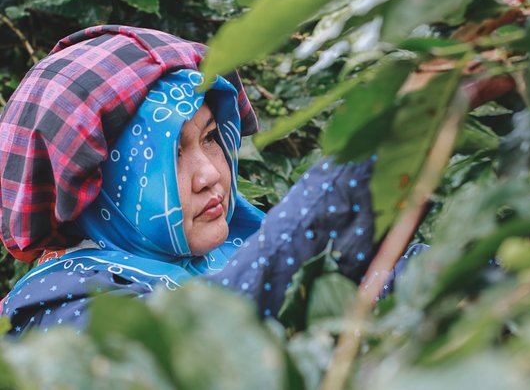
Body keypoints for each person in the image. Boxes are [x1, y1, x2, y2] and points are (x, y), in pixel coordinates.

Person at [0, 25, 378, 335]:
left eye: (211, 138)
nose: (211, 174)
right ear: (100, 186)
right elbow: (199, 342)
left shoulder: (234, 241)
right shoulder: (64, 312)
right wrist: (336, 193)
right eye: (171, 155)